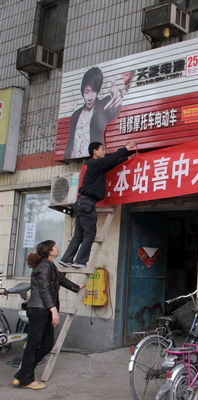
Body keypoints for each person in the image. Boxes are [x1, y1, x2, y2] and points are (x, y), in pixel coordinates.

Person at [13, 240, 84, 390]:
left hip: (42, 309)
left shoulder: (49, 265)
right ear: (50, 251)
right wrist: (53, 310)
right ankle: (27, 380)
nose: (57, 248)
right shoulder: (45, 266)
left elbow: (61, 279)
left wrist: (76, 287)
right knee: (33, 345)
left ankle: (21, 375)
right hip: (39, 309)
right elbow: (44, 289)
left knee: (46, 345)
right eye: (55, 246)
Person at [59, 140, 136, 268]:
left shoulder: (96, 166)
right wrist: (127, 147)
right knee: (90, 234)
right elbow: (111, 159)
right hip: (87, 203)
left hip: (81, 203)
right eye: (102, 149)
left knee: (78, 235)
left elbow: (111, 164)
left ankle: (66, 259)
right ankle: (80, 261)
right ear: (95, 151)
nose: (104, 152)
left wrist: (126, 159)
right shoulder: (95, 163)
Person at [64, 66, 123, 160]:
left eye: (94, 91)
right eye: (87, 92)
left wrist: (117, 93)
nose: (90, 97)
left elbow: (114, 107)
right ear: (82, 92)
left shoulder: (103, 107)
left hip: (96, 160)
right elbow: (70, 142)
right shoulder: (75, 115)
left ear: (98, 91)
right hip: (75, 160)